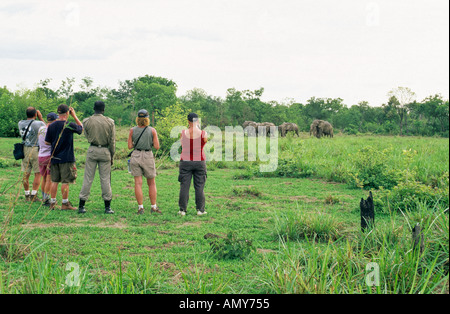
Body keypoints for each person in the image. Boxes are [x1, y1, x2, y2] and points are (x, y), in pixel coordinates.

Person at [78, 101, 116, 215]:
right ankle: (107, 207)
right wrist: (112, 155)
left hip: (92, 149)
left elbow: (87, 136)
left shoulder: (86, 121)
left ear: (94, 108)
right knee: (105, 179)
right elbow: (112, 141)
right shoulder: (110, 122)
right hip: (105, 151)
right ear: (103, 110)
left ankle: (81, 205)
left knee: (88, 178)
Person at [45, 104, 83, 210]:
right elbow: (81, 129)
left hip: (54, 157)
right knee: (65, 181)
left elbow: (47, 142)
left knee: (54, 181)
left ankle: (52, 202)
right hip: (66, 158)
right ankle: (65, 203)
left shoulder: (51, 125)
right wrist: (74, 116)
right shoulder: (69, 124)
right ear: (67, 113)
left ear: (58, 113)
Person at [127, 109, 161, 215]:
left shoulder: (132, 130)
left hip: (136, 155)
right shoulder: (152, 130)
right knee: (151, 183)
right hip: (147, 156)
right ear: (147, 119)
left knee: (138, 183)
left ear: (138, 118)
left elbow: (129, 146)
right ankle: (153, 207)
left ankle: (140, 208)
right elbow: (157, 146)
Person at [178, 113, 208, 216]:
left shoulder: (183, 133)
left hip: (185, 161)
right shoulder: (203, 133)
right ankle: (200, 210)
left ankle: (182, 210)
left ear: (188, 121)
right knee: (199, 186)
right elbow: (204, 142)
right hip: (199, 161)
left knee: (184, 186)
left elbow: (183, 145)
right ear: (198, 121)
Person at [18, 107, 46, 202]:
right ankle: (34, 195)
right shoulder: (39, 123)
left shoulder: (20, 123)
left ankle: (26, 194)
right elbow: (46, 129)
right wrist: (40, 117)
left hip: (25, 149)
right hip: (35, 149)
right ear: (35, 115)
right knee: (37, 173)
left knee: (26, 173)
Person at [38, 112, 58, 207]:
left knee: (44, 178)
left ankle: (43, 197)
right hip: (48, 156)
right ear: (54, 120)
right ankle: (46, 200)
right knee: (49, 179)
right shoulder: (52, 129)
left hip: (40, 155)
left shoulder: (41, 128)